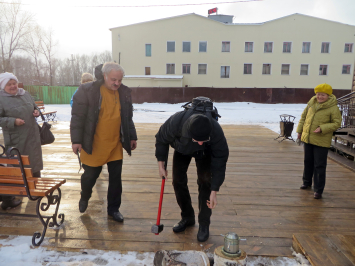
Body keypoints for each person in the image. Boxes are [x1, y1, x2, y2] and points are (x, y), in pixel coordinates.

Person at [70, 62, 137, 222]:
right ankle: (85, 195)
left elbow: (127, 117)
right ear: (104, 76)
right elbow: (77, 117)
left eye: (120, 80)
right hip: (93, 142)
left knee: (116, 179)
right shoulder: (87, 90)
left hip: (115, 144)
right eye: (113, 79)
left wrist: (132, 136)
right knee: (90, 176)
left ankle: (113, 209)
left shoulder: (123, 92)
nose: (117, 83)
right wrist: (76, 140)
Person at [155, 99, 229, 242]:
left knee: (205, 182)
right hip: (182, 148)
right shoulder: (176, 122)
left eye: (204, 139)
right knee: (177, 181)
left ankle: (204, 224)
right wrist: (161, 164)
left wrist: (215, 190)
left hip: (205, 153)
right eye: (197, 140)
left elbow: (220, 160)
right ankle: (187, 217)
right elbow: (161, 139)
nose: (200, 142)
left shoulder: (215, 131)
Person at [0, 72, 42, 210]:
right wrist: (13, 121)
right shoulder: (1, 98)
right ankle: (10, 198)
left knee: (34, 162)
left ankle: (34, 190)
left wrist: (36, 111)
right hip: (16, 139)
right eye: (9, 84)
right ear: (3, 85)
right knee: (16, 166)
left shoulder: (25, 93)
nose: (13, 86)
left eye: (14, 83)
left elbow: (33, 106)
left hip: (32, 135)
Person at [297, 83, 341, 199]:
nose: (320, 97)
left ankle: (318, 189)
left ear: (328, 95)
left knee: (319, 165)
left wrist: (322, 128)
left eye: (323, 95)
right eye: (318, 94)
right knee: (308, 161)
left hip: (321, 140)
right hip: (308, 138)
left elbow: (337, 123)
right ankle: (306, 182)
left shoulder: (333, 107)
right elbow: (303, 118)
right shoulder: (311, 104)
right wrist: (299, 131)